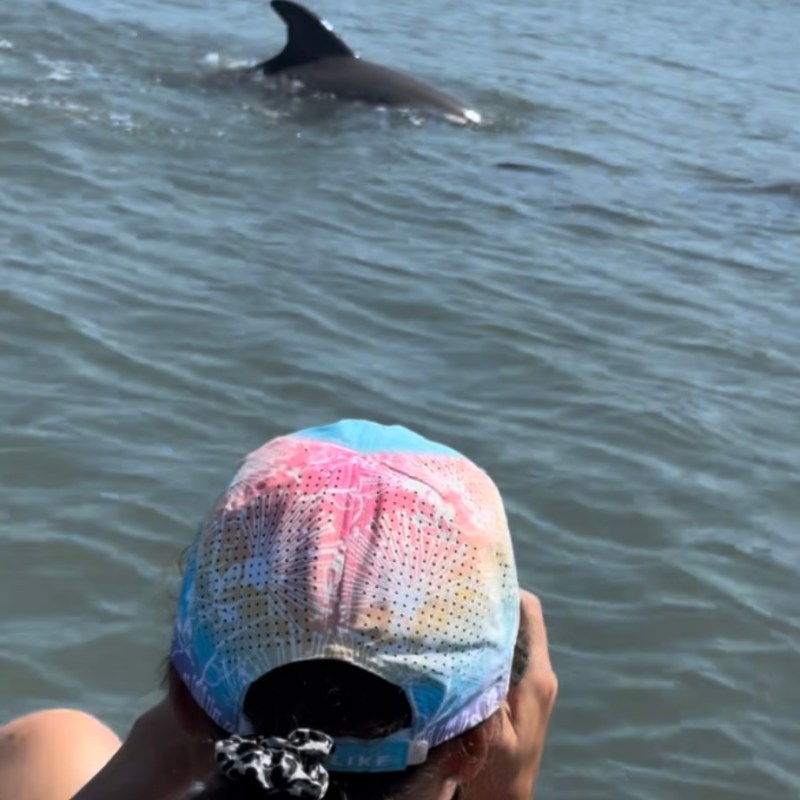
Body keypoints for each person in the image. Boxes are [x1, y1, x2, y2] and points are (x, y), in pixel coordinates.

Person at [0, 420, 557, 800]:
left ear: (186, 710)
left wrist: (140, 767)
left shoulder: (173, 735)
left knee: (58, 739)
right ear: (479, 744)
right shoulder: (485, 761)